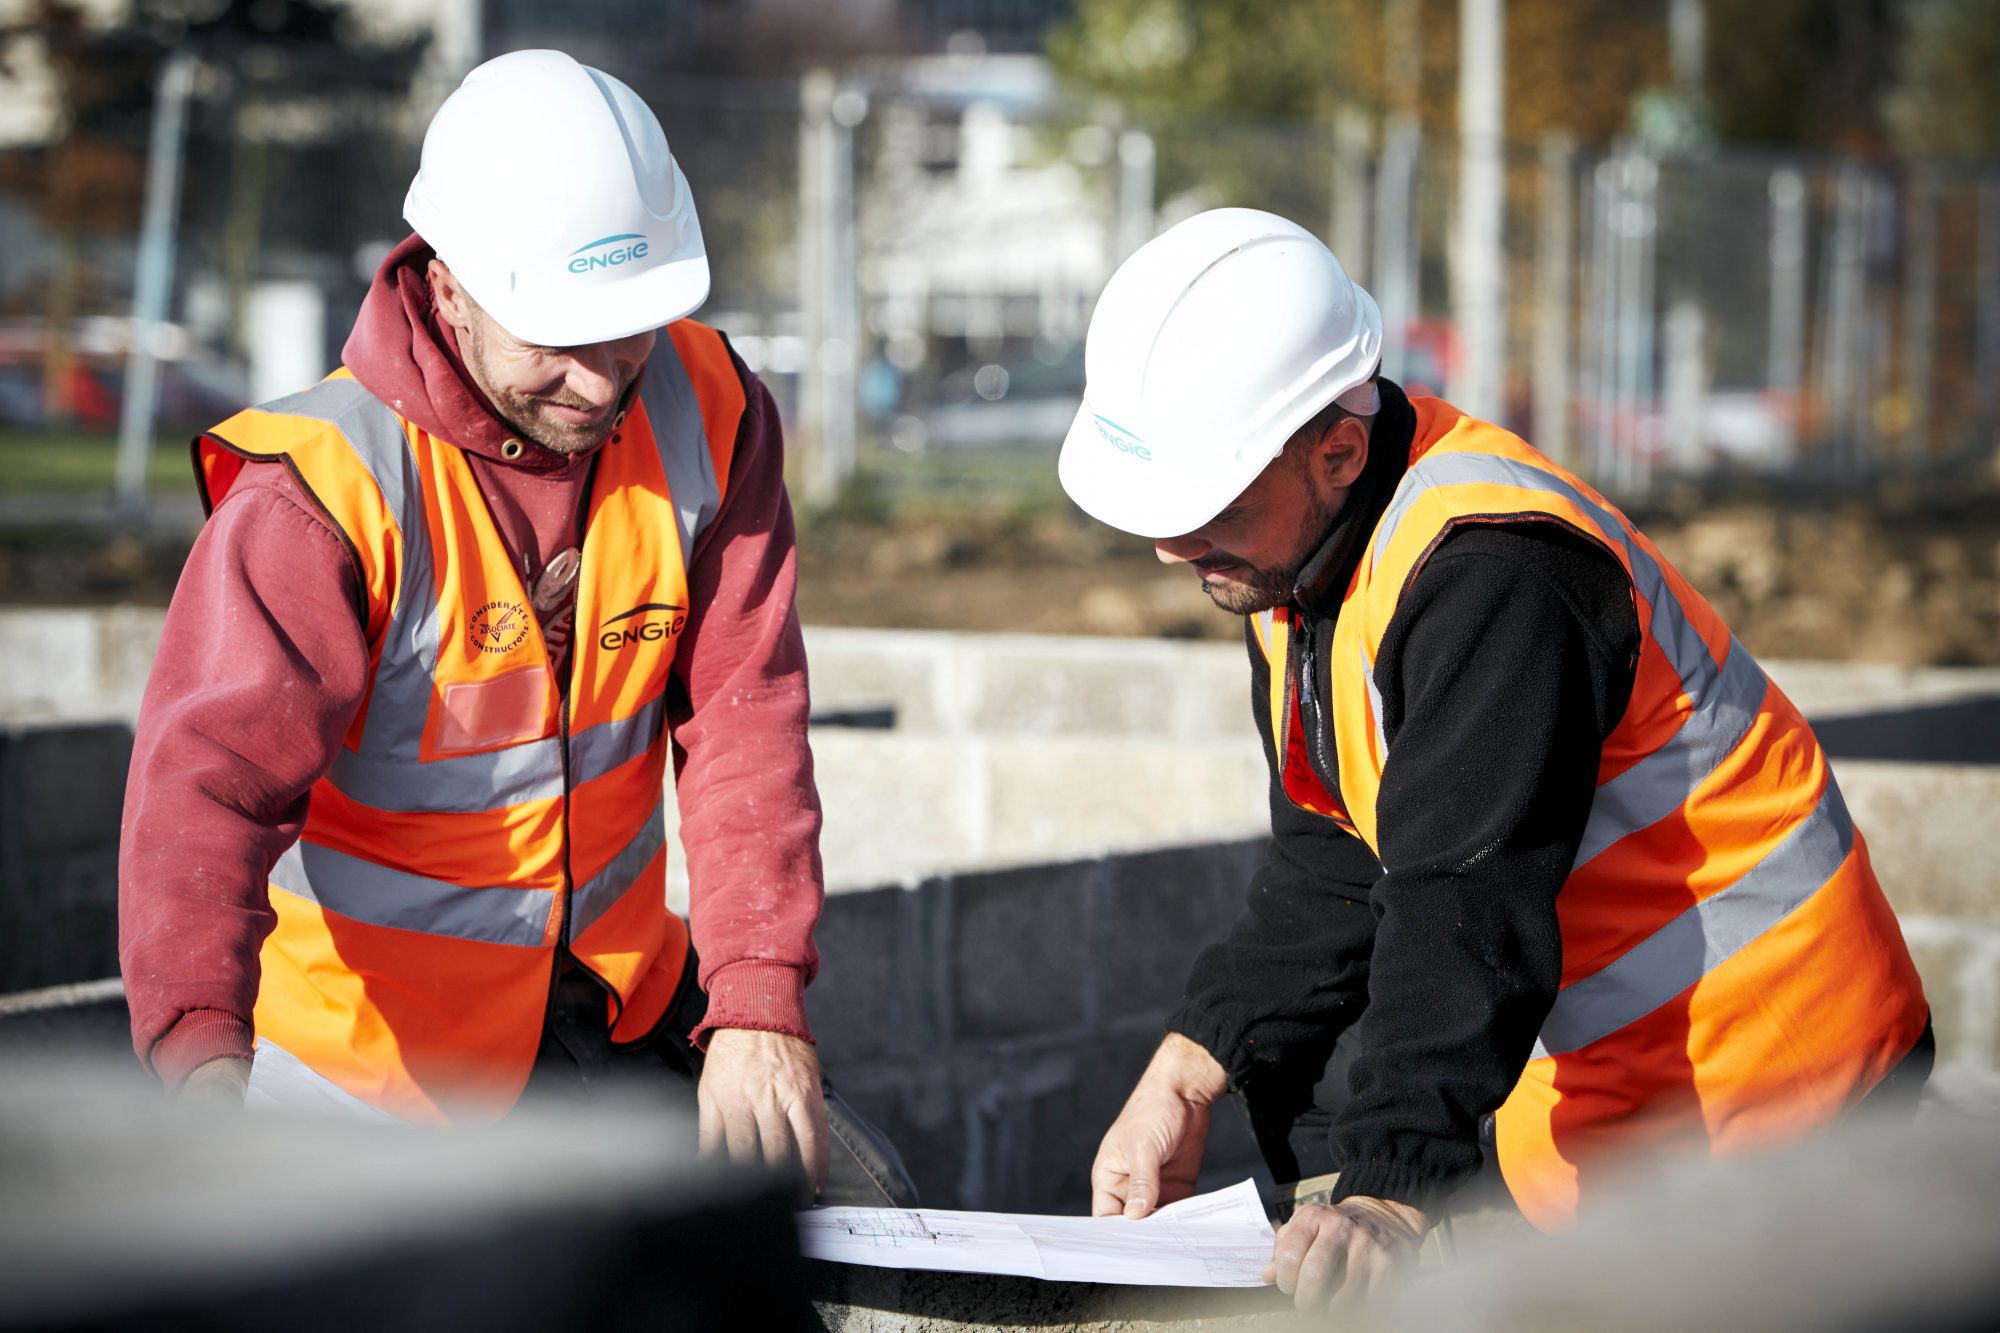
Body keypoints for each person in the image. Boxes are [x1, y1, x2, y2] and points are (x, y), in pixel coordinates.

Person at [1061, 209, 1932, 1308]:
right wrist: (1192, 1065)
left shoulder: (1494, 573)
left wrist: (1390, 1183)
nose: (1168, 546)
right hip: (1618, 1121)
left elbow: (1464, 895)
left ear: (1338, 450)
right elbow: (1337, 857)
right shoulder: (1291, 565)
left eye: (1206, 505)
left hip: (1777, 1098)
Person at [117, 49, 913, 1206]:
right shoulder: (320, 497)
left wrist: (756, 1003)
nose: (599, 384)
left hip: (609, 1015)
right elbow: (205, 797)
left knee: (843, 1213)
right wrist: (201, 1072)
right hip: (360, 1077)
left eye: (628, 329)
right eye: (556, 338)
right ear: (447, 289)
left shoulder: (713, 411)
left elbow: (745, 721)